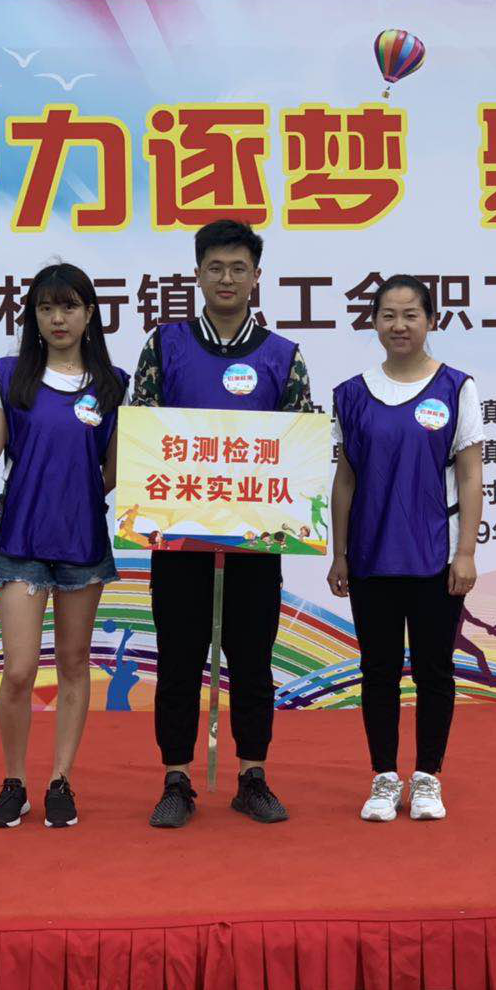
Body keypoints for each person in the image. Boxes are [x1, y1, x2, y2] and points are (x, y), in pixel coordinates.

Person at [130, 219, 316, 828]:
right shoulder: (165, 346)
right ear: (198, 275)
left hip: (256, 538)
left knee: (253, 659)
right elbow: (142, 434)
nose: (227, 278)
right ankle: (176, 778)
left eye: (239, 268)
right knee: (178, 658)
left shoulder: (283, 356)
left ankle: (253, 776)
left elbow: (301, 448)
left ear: (257, 276)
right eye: (216, 268)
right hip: (179, 531)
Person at [0, 262, 128, 829]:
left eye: (69, 307)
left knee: (73, 666)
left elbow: (114, 471)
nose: (57, 318)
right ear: (34, 318)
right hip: (21, 542)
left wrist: (77, 491)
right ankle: (15, 782)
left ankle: (61, 780)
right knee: (20, 671)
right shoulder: (11, 377)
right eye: (46, 308)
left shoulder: (112, 385)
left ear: (89, 314)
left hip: (83, 544)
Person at [328, 275, 484, 823]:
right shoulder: (351, 394)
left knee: (435, 670)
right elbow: (345, 479)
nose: (400, 326)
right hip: (371, 556)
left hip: (434, 556)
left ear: (431, 320)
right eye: (389, 315)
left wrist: (466, 552)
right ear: (373, 322)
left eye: (411, 315)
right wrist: (340, 553)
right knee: (378, 669)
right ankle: (383, 776)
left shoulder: (456, 387)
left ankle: (427, 778)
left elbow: (471, 476)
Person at [98, 621, 141, 711]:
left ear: (129, 668)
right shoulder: (129, 676)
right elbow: (115, 674)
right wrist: (107, 669)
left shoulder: (128, 676)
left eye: (126, 663)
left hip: (117, 704)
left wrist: (124, 638)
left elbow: (119, 654)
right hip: (118, 703)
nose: (124, 664)